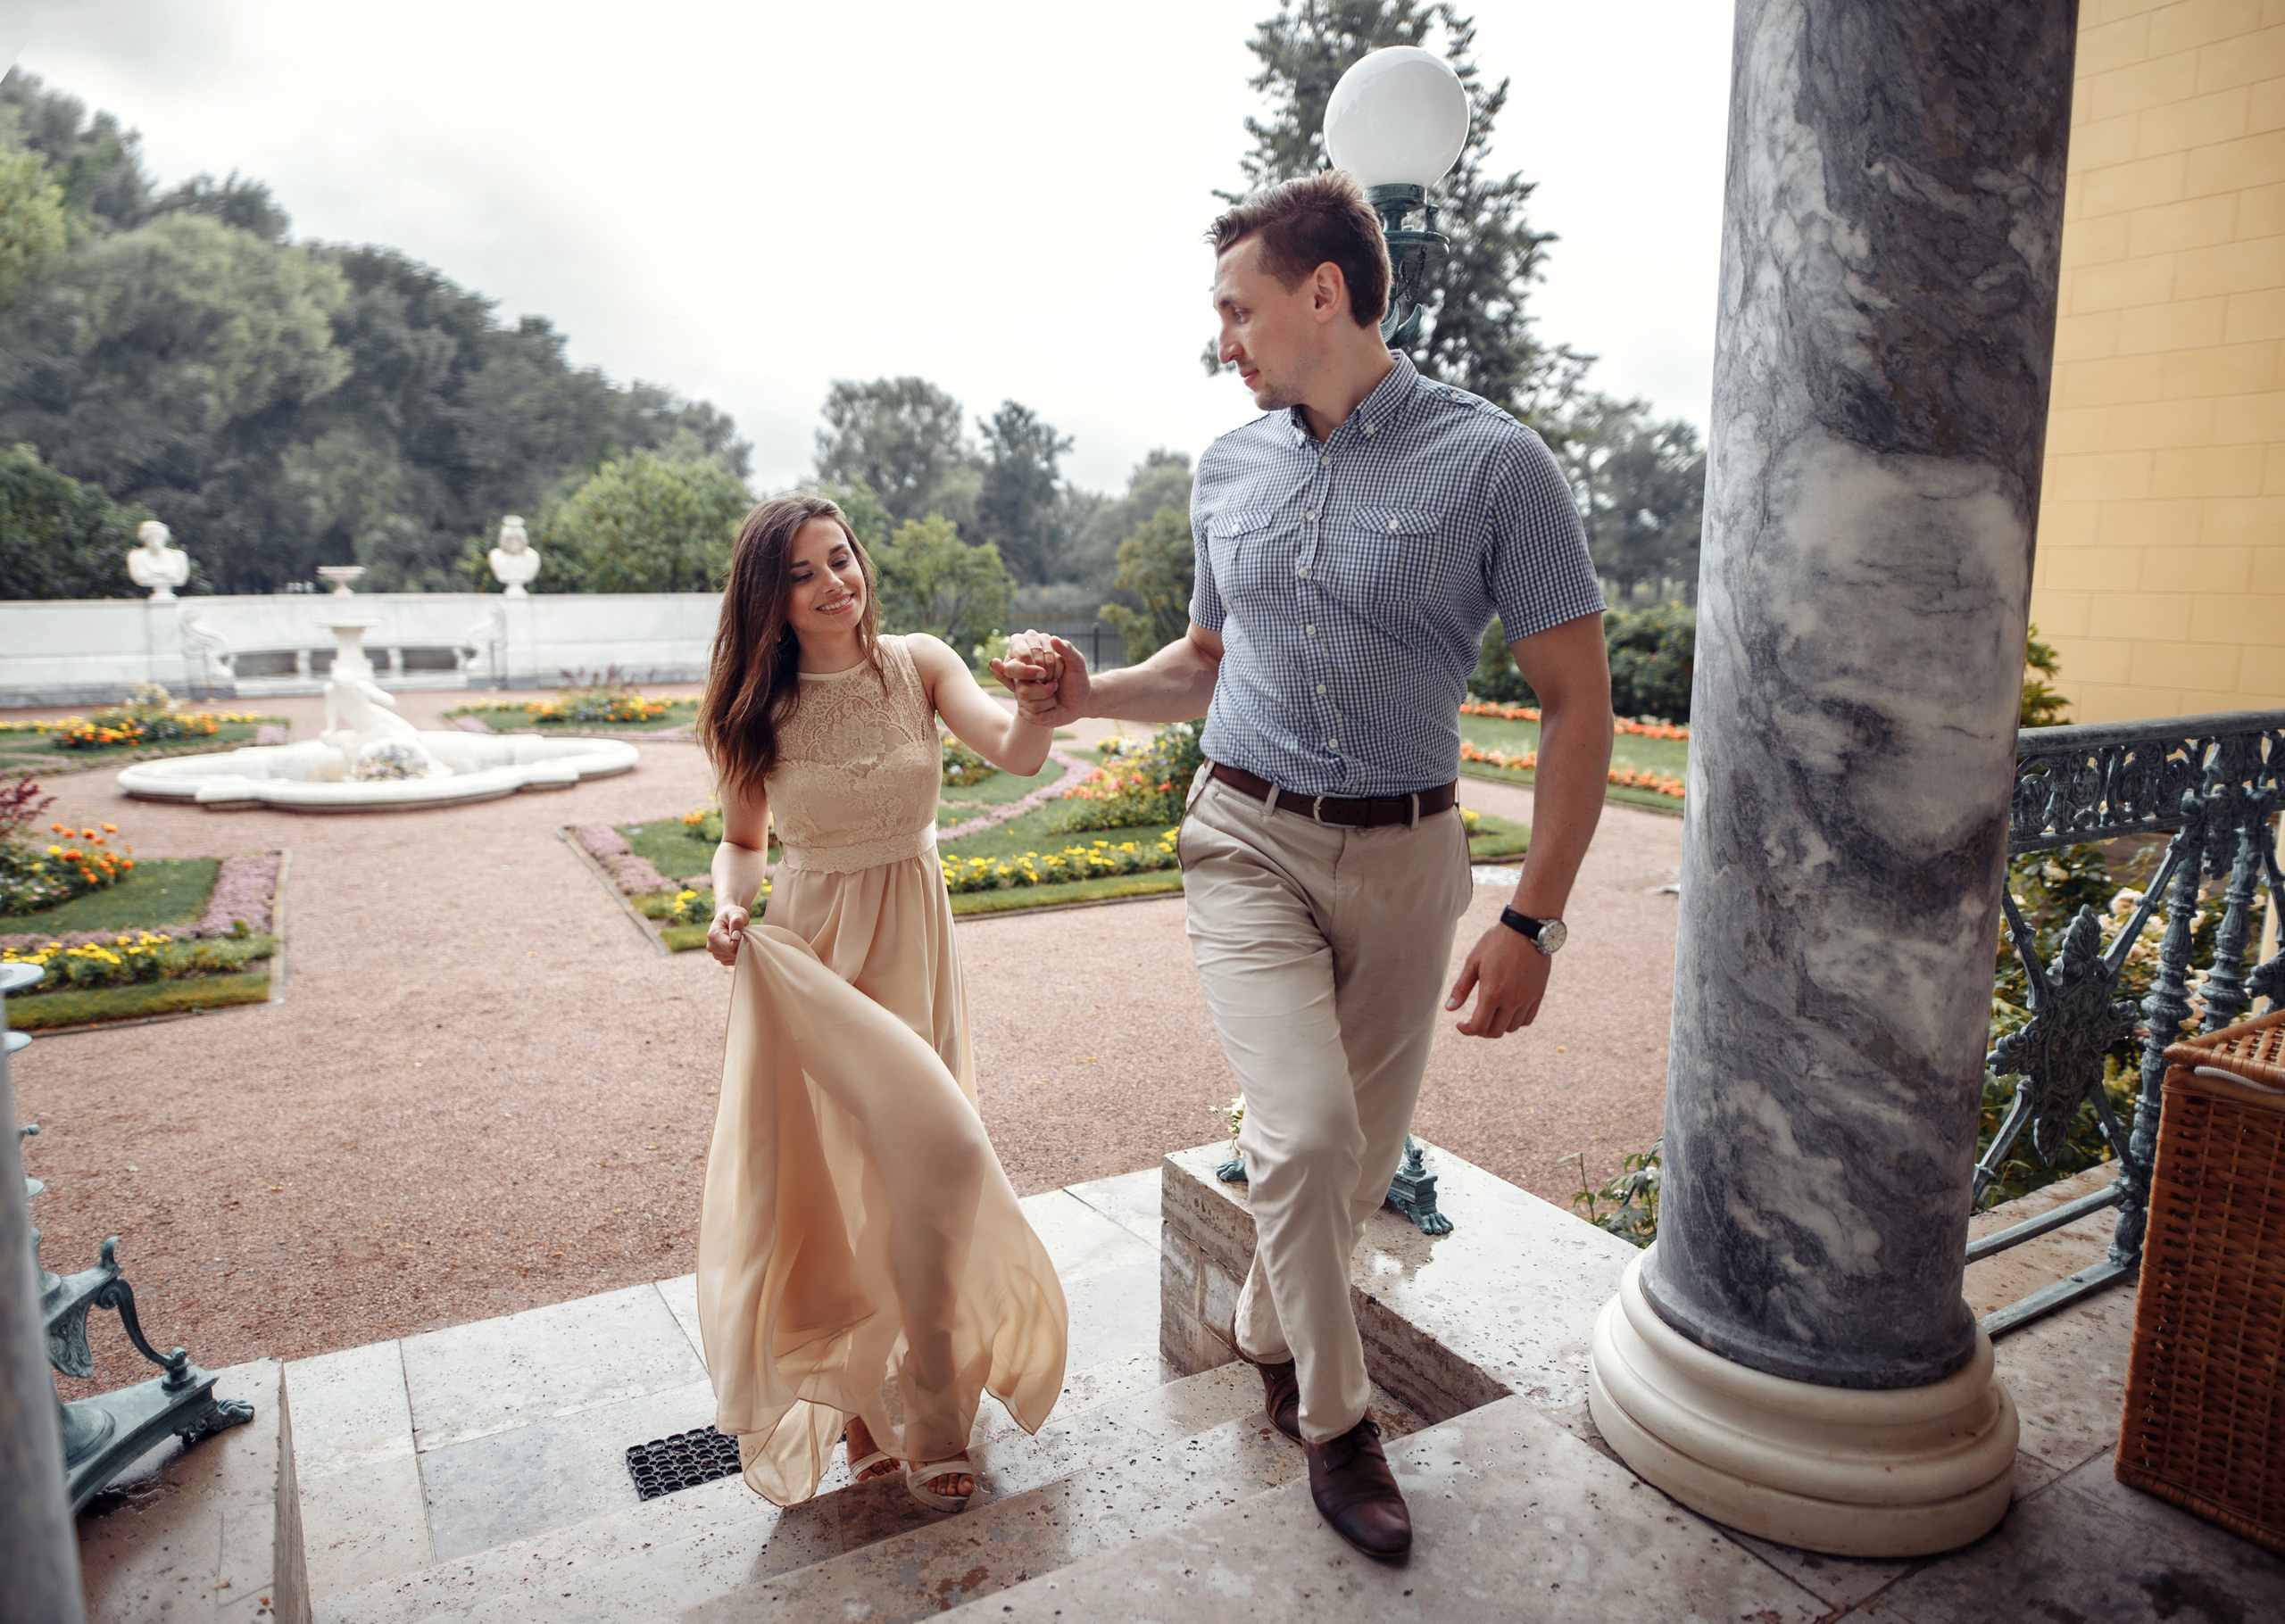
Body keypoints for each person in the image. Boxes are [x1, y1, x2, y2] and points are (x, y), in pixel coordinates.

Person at [996, 170, 1612, 1559]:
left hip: (1411, 863)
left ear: (1323, 291)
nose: (1225, 339)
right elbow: (1205, 667)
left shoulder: (1496, 463)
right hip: (1244, 838)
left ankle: (1266, 1323)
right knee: (1309, 1136)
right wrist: (1089, 695)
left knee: (1355, 1162)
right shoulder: (1229, 467)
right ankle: (1334, 1421)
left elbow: (1581, 704)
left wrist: (1537, 920)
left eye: (1238, 307)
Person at [694, 493, 1068, 1512]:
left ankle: (939, 1408)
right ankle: (861, 1411)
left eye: (842, 557)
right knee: (836, 1188)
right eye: (805, 571)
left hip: (914, 941)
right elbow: (740, 841)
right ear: (769, 596)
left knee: (931, 1171)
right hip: (814, 962)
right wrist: (727, 911)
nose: (834, 583)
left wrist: (1037, 698)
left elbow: (1016, 751)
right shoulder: (755, 707)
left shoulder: (920, 663)